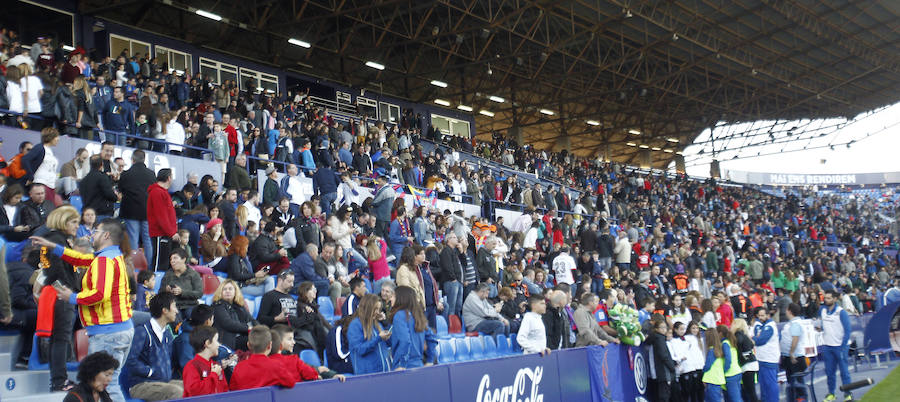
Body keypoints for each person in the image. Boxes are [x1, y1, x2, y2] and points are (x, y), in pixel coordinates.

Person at [33, 218, 134, 402]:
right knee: (110, 385)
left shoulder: (104, 260)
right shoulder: (110, 255)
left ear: (106, 235)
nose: (90, 235)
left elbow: (99, 294)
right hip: (118, 329)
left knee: (108, 386)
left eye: (95, 231)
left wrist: (71, 297)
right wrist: (52, 246)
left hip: (108, 333)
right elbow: (79, 258)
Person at [30, 206, 81, 391]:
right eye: (73, 222)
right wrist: (67, 292)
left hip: (55, 294)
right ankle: (60, 381)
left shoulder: (53, 239)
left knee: (57, 339)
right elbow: (55, 271)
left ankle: (58, 380)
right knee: (60, 339)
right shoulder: (56, 241)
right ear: (63, 221)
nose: (77, 226)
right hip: (61, 295)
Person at [123, 292, 183, 401]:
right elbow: (130, 360)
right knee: (176, 392)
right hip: (142, 384)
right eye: (174, 307)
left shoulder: (167, 334)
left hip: (164, 382)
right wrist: (150, 372)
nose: (177, 311)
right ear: (164, 310)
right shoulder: (142, 332)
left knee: (190, 387)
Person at [229, 325, 296, 390]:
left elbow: (233, 389)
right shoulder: (276, 365)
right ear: (270, 345)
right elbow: (291, 382)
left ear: (248, 345)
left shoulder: (239, 367)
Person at [119, 150, 156, 266]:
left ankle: (134, 268)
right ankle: (149, 268)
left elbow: (121, 189)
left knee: (133, 240)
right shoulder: (151, 174)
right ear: (144, 159)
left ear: (132, 159)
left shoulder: (126, 174)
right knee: (147, 241)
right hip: (147, 211)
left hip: (131, 211)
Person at [389, 286, 437, 369]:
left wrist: (402, 364)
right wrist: (430, 360)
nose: (390, 299)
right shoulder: (417, 315)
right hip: (418, 365)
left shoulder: (399, 315)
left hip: (403, 367)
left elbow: (405, 341)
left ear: (401, 298)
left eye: (393, 296)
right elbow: (432, 338)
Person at [395, 245, 442, 329]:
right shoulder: (403, 270)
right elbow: (406, 290)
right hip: (414, 307)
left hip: (422, 306)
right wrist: (417, 303)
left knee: (430, 332)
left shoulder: (412, 269)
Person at [819, 289, 852, 402]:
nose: (826, 300)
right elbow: (824, 325)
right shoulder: (822, 311)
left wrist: (843, 346)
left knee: (844, 372)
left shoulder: (841, 312)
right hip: (828, 346)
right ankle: (831, 393)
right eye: (825, 298)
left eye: (828, 298)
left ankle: (848, 394)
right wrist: (821, 328)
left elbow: (848, 330)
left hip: (840, 346)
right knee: (829, 372)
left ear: (835, 299)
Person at [347, 293, 391, 374]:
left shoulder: (377, 324)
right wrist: (378, 338)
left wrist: (385, 323)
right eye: (375, 309)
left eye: (379, 309)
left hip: (384, 373)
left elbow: (389, 344)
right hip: (367, 376)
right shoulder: (355, 325)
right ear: (368, 308)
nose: (377, 312)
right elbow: (360, 350)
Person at [181, 325, 229, 397]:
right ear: (208, 343)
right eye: (216, 341)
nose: (219, 344)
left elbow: (225, 390)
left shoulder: (216, 366)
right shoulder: (191, 366)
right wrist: (213, 375)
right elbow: (194, 392)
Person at [212, 279, 257, 351]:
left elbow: (251, 319)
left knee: (262, 338)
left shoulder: (239, 306)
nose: (227, 291)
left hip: (241, 336)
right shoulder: (218, 306)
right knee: (256, 342)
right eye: (225, 289)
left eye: (230, 289)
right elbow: (228, 323)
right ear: (220, 292)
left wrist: (260, 329)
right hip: (228, 340)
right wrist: (248, 328)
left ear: (235, 291)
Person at [148, 169, 177, 271]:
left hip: (165, 233)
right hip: (160, 233)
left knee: (163, 263)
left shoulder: (162, 192)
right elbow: (161, 216)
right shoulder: (157, 192)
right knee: (159, 264)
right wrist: (172, 232)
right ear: (169, 178)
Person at [294, 281, 331, 358]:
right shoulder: (300, 306)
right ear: (305, 292)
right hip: (308, 333)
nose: (315, 291)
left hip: (317, 332)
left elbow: (323, 320)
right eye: (312, 289)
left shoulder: (314, 306)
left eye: (315, 289)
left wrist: (333, 330)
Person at [160, 249, 202, 315]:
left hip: (190, 305)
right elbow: (160, 293)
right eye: (171, 259)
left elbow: (199, 293)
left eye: (175, 258)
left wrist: (182, 292)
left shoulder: (193, 274)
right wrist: (166, 290)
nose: (172, 261)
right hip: (174, 306)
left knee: (191, 316)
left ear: (184, 259)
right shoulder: (168, 274)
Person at [751, 306, 780, 402]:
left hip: (769, 359)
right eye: (759, 316)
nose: (761, 317)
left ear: (768, 315)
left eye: (763, 315)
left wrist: (754, 338)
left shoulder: (770, 326)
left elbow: (759, 340)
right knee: (763, 384)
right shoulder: (761, 325)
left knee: (771, 385)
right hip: (761, 359)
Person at [781, 303, 807, 402]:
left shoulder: (795, 324)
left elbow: (795, 338)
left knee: (798, 382)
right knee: (793, 382)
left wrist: (791, 353)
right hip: (792, 356)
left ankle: (801, 399)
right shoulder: (793, 323)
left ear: (789, 311)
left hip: (795, 357)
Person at [79, 156, 117, 220]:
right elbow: (109, 194)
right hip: (102, 213)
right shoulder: (103, 178)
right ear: (102, 165)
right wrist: (116, 196)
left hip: (87, 213)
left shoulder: (84, 180)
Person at [648, 319, 676, 402]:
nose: (664, 330)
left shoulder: (657, 338)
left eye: (665, 327)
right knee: (664, 396)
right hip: (664, 371)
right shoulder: (659, 339)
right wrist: (672, 367)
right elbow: (664, 355)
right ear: (656, 329)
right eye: (662, 328)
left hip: (659, 371)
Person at [732, 319, 759, 402]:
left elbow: (739, 344)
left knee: (750, 391)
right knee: (750, 390)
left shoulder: (738, 334)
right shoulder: (745, 335)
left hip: (747, 366)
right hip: (752, 363)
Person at [716, 325, 742, 402]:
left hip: (730, 374)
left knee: (735, 399)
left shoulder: (725, 343)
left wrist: (723, 371)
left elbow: (728, 359)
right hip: (737, 372)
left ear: (720, 333)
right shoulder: (731, 341)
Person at [702, 327, 727, 402]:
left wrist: (703, 371)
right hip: (717, 379)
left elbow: (707, 366)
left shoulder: (711, 351)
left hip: (711, 380)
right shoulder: (718, 349)